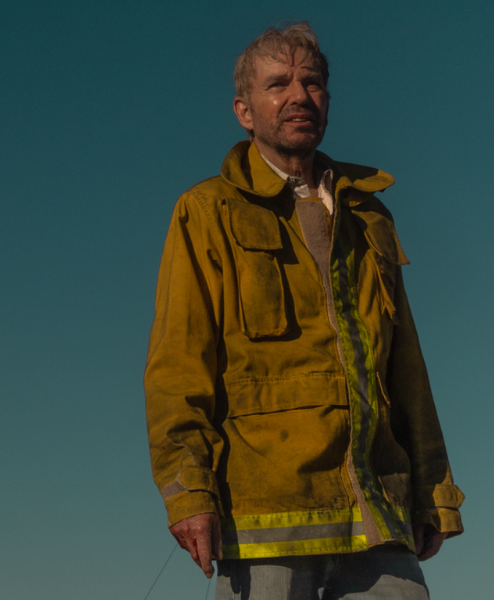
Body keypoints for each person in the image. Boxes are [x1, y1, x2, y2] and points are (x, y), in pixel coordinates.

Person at [143, 23, 464, 599]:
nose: (299, 96)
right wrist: (188, 493)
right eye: (277, 84)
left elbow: (407, 368)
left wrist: (433, 491)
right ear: (244, 111)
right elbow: (178, 368)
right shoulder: (206, 211)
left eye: (312, 83)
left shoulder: (367, 217)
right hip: (266, 520)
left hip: (378, 516)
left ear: (328, 100)